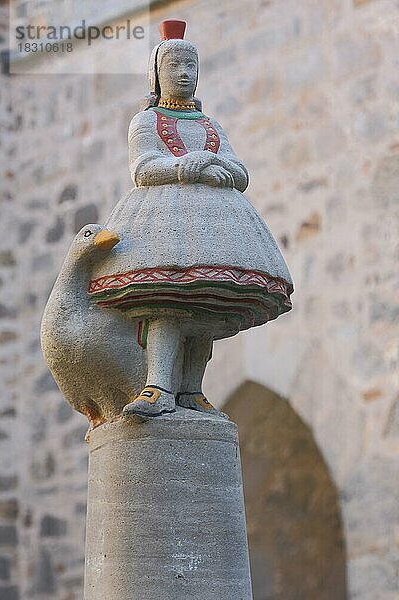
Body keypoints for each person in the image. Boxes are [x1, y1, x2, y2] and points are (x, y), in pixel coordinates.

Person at [89, 20, 294, 417]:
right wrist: (188, 168)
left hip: (215, 225)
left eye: (190, 67)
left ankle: (191, 390)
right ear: (158, 75)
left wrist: (218, 167)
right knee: (167, 301)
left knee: (204, 310)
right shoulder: (146, 122)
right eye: (175, 67)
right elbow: (144, 168)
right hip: (165, 224)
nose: (184, 74)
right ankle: (158, 386)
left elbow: (240, 170)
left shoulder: (211, 124)